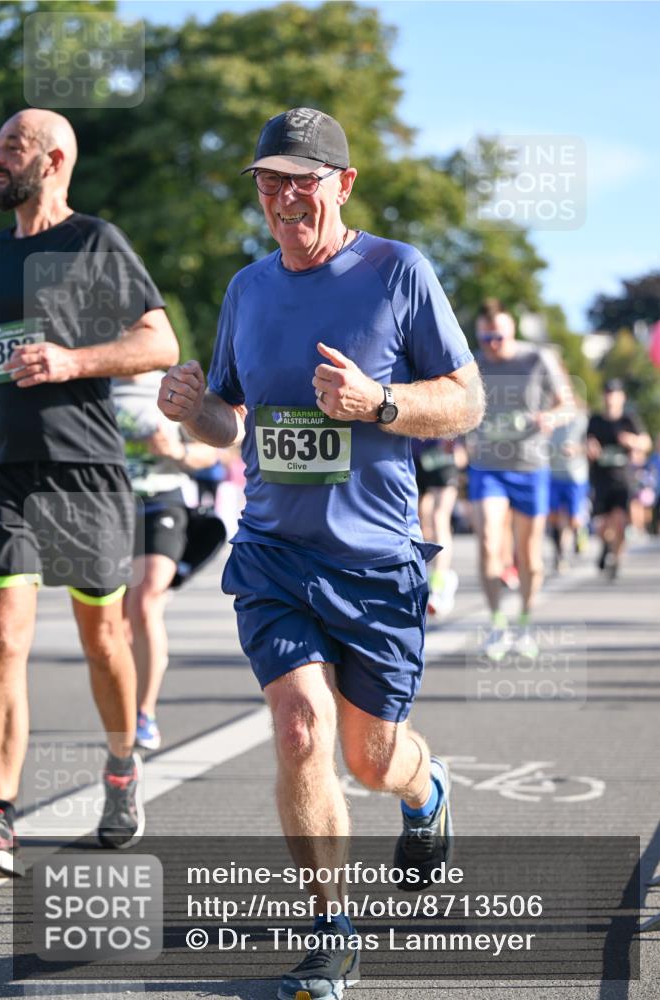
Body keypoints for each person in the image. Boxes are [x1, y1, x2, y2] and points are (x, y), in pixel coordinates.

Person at [157, 108, 484, 1000]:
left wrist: (378, 404)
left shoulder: (397, 273)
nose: (283, 198)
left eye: (302, 181)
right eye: (269, 181)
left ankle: (426, 790)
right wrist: (194, 407)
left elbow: (464, 401)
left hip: (375, 559)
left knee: (372, 758)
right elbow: (230, 417)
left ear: (341, 185)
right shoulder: (246, 290)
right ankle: (329, 929)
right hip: (273, 552)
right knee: (301, 727)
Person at [0, 110, 179, 877]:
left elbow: (159, 344)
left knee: (103, 638)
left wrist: (71, 362)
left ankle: (120, 763)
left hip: (84, 472)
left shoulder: (95, 241)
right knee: (4, 638)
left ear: (53, 158)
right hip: (4, 470)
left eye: (10, 147)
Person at [113, 372, 224, 750]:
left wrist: (174, 451)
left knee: (144, 603)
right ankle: (124, 705)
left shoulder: (171, 382)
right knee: (117, 622)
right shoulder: (94, 380)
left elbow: (212, 449)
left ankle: (144, 713)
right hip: (108, 509)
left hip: (161, 502)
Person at [467, 299, 567, 661]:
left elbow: (567, 403)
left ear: (512, 333)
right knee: (489, 541)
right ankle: (497, 625)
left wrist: (551, 417)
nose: (492, 344)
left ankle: (524, 623)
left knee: (529, 556)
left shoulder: (537, 359)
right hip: (487, 467)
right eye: (486, 338)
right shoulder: (474, 364)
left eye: (498, 337)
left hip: (530, 466)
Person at [586, 379, 651, 579]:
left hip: (623, 479)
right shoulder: (596, 420)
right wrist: (590, 448)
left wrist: (633, 441)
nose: (610, 398)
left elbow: (646, 442)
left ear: (621, 397)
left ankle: (615, 558)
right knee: (603, 525)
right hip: (601, 479)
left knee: (621, 521)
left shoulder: (629, 419)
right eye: (607, 393)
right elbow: (587, 443)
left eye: (614, 394)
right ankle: (606, 546)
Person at [411, 437, 466, 617]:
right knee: (419, 521)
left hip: (443, 452)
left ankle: (439, 583)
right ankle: (427, 577)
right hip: (415, 451)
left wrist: (460, 442)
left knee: (439, 518)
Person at [548, 378, 590, 572]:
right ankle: (560, 555)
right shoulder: (549, 417)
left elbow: (591, 444)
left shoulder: (581, 417)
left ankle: (579, 531)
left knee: (572, 518)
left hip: (575, 474)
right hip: (553, 474)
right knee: (556, 518)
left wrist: (578, 449)